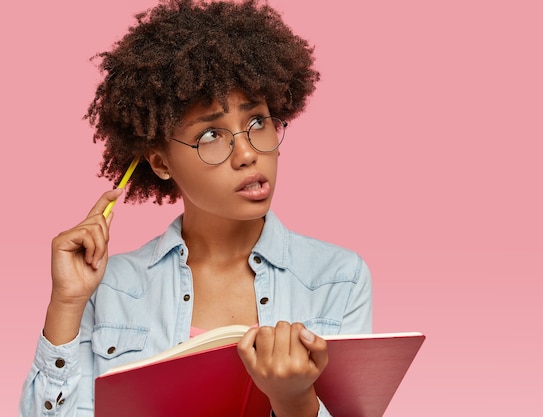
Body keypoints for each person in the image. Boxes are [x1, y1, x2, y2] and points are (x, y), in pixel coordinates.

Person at [18, 0, 372, 416]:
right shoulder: (109, 289)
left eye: (257, 122)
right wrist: (66, 304)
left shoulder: (338, 280)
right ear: (161, 162)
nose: (246, 154)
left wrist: (295, 400)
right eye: (211, 135)